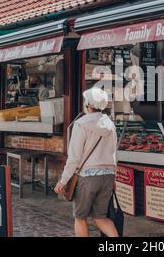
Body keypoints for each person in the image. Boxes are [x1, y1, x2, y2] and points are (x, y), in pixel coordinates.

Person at [54, 88, 119, 237]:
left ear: (88, 104)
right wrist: (114, 176)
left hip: (88, 177)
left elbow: (74, 157)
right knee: (100, 217)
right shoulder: (110, 124)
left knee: (80, 217)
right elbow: (115, 153)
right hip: (108, 175)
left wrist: (63, 181)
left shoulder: (81, 124)